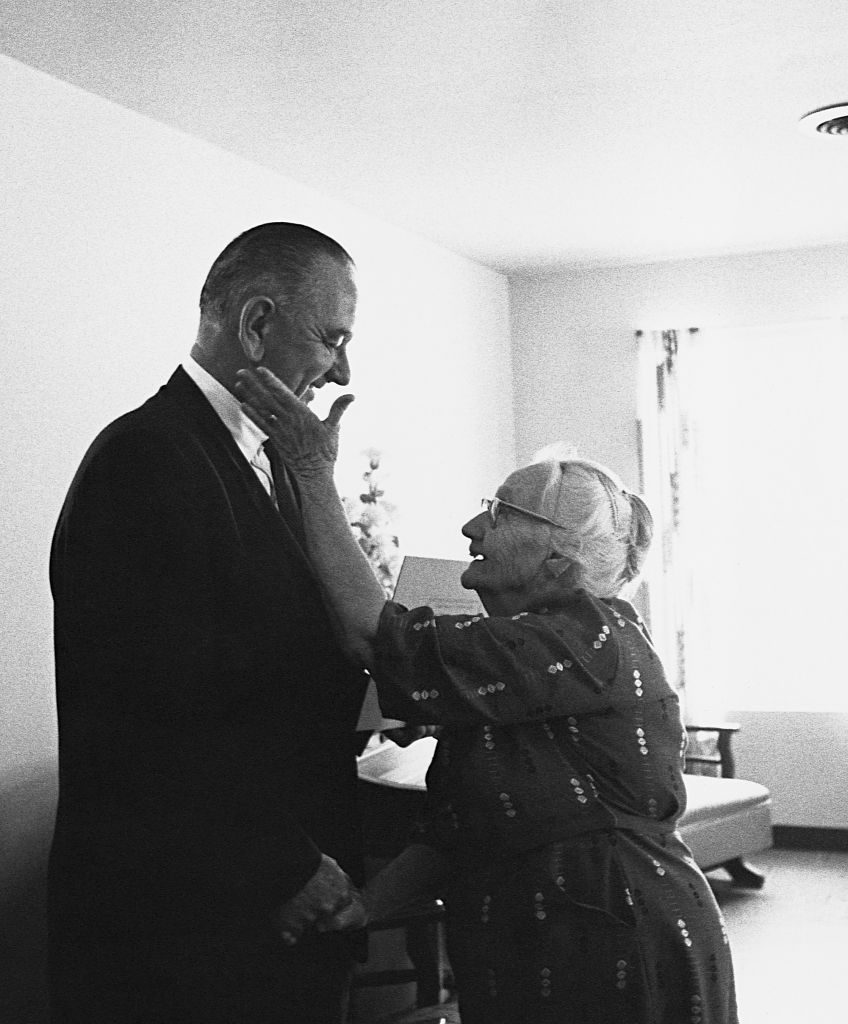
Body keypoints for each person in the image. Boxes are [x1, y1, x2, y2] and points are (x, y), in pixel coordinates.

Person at [235, 365, 740, 1024]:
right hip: (532, 948)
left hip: (610, 943)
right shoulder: (518, 658)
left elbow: (374, 636)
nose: (472, 526)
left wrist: (310, 471)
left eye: (499, 513)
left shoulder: (587, 636)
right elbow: (456, 831)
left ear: (557, 559)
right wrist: (364, 909)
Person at [48, 223, 369, 1024]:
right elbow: (146, 715)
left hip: (270, 904)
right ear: (257, 325)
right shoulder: (145, 458)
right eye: (332, 340)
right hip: (195, 924)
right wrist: (287, 868)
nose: (341, 371)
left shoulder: (282, 464)